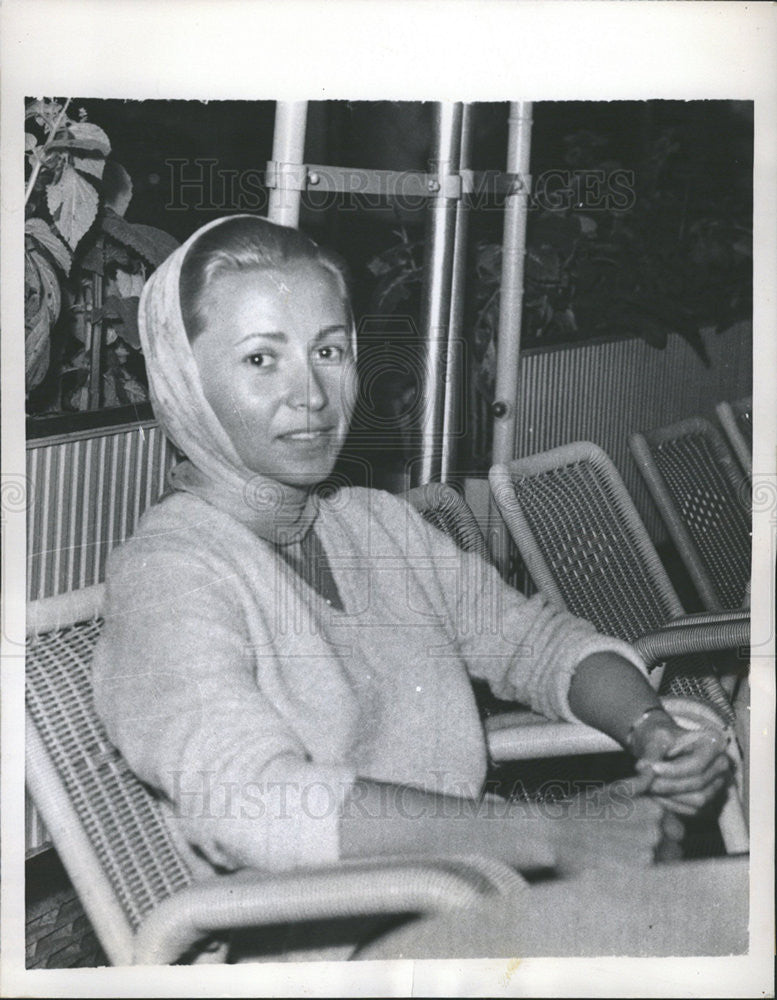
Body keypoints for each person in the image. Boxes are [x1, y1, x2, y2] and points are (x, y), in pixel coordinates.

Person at [92, 215, 732, 958]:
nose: (311, 394)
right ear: (181, 384)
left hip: (467, 902)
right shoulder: (168, 573)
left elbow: (537, 642)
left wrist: (650, 731)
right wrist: (556, 832)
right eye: (261, 359)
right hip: (337, 954)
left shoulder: (373, 525)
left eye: (328, 350)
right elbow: (253, 801)